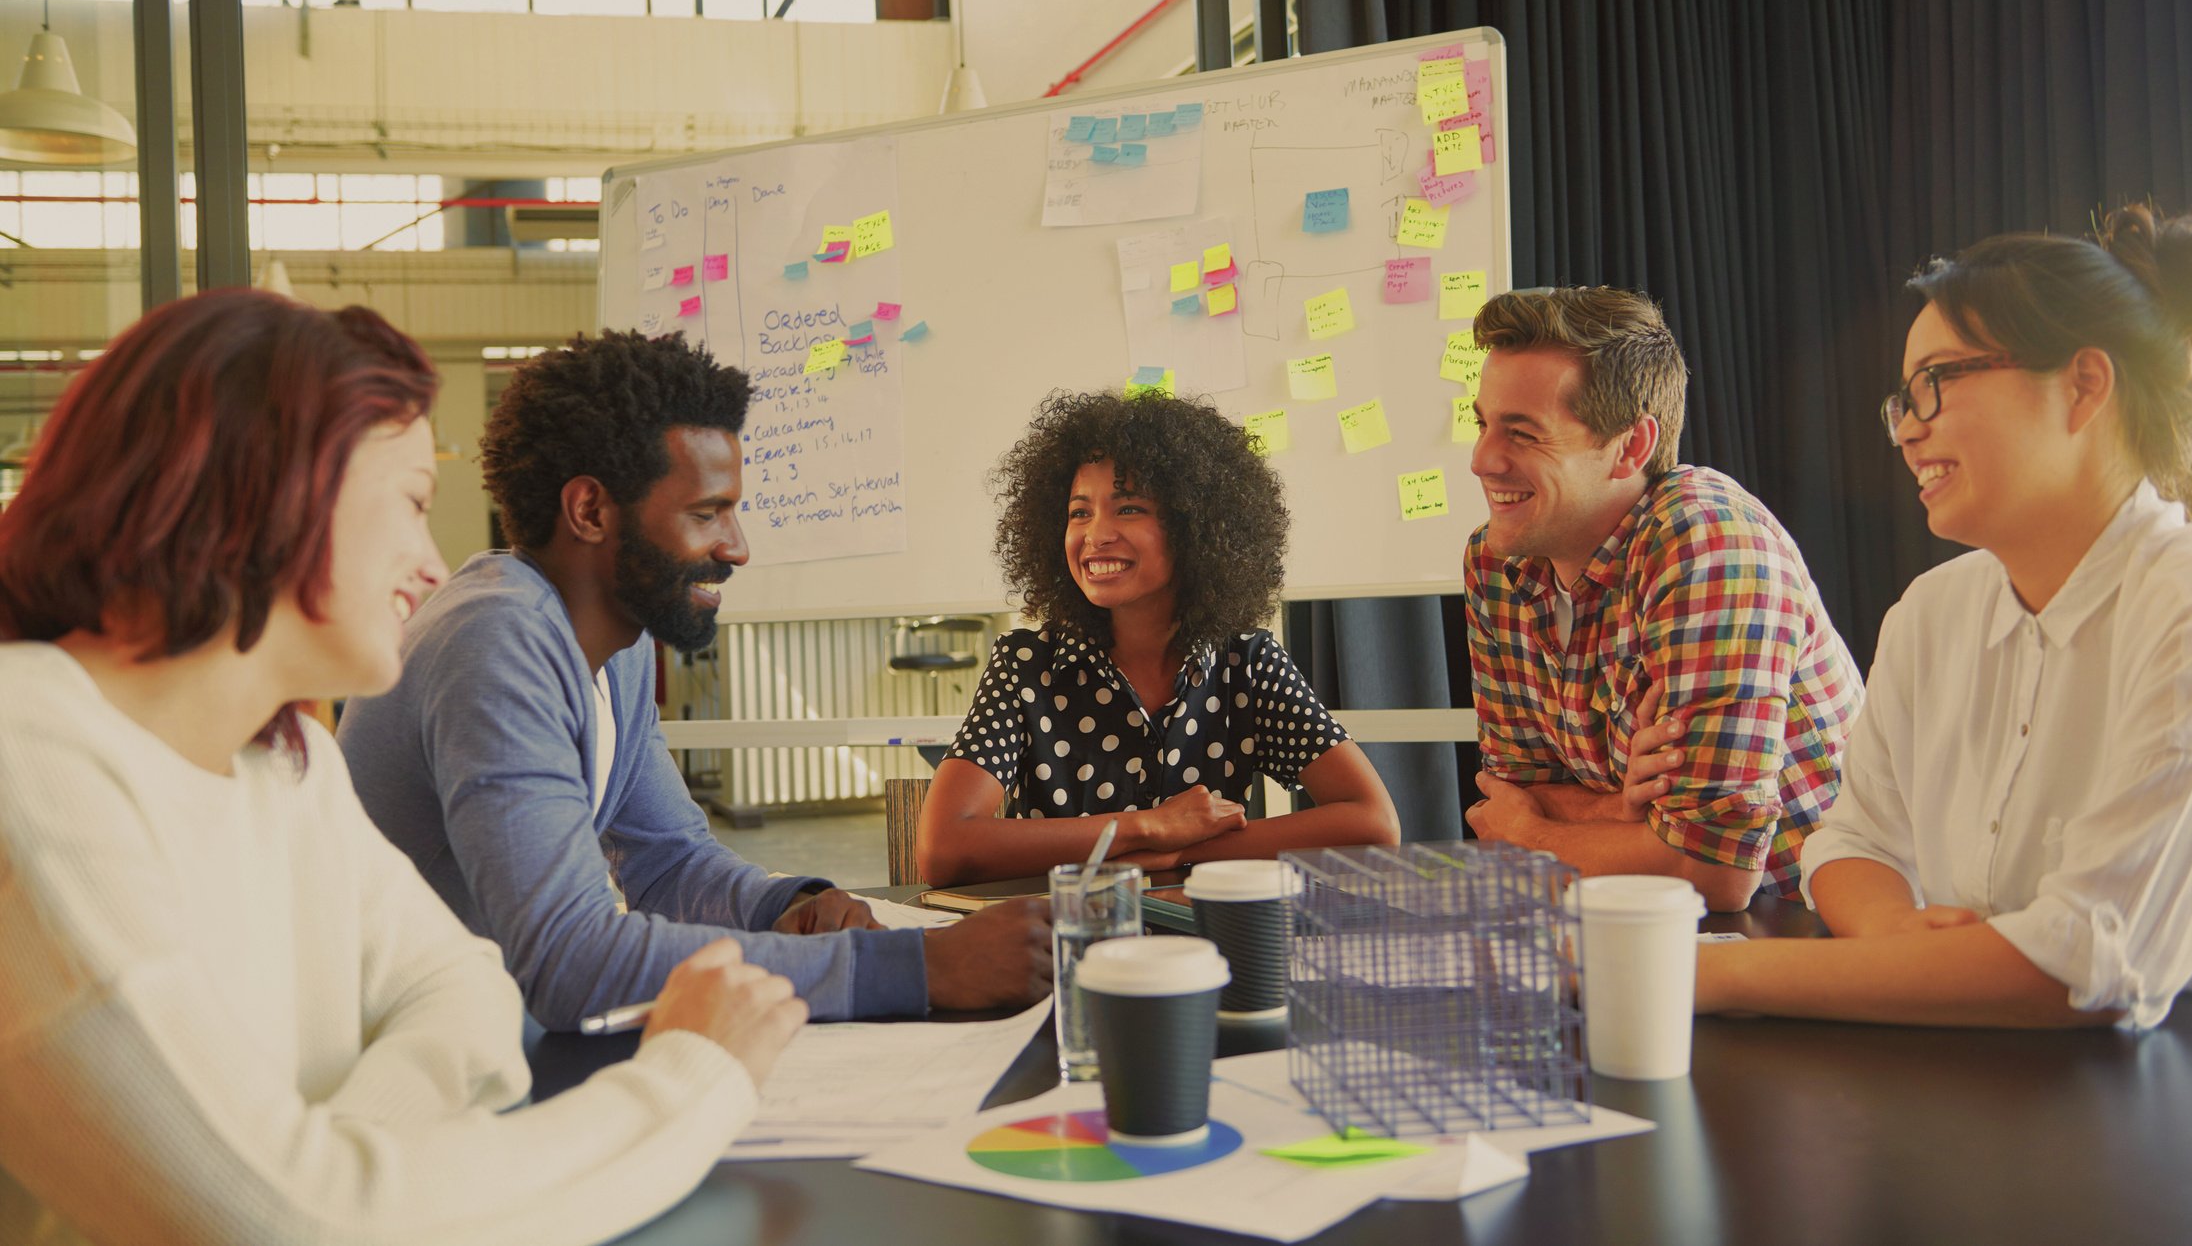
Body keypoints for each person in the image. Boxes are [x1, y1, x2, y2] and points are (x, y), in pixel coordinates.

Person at [0, 291, 805, 1246]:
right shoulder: (32, 757)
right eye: (414, 504)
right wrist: (694, 1078)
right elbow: (293, 1219)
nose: (431, 565)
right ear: (271, 494)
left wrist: (336, 1159)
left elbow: (464, 990)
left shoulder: (279, 759)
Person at [338, 331, 1048, 1030]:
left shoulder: (616, 645)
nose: (737, 547)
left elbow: (668, 860)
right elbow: (568, 962)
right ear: (590, 511)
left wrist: (786, 906)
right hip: (406, 1071)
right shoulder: (497, 639)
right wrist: (919, 968)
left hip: (480, 1042)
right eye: (706, 513)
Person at [1696, 208, 2192, 1027]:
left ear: (2083, 385)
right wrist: (1899, 933)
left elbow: (2085, 962)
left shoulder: (2191, 602)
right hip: (1977, 1070)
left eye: (1937, 381)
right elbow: (1850, 841)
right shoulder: (1934, 612)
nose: (1906, 428)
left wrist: (1710, 975)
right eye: (1901, 398)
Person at [1460, 286, 1860, 910]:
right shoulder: (1496, 559)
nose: (1482, 459)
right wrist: (1624, 810)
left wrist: (1533, 834)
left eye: (1524, 434)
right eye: (1482, 423)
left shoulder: (1710, 543)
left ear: (1631, 447)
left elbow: (1715, 874)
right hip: (1627, 919)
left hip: (1805, 928)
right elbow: (1505, 794)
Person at [916, 389, 1400, 886]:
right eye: (1079, 512)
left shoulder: (1246, 664)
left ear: (1197, 527)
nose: (1096, 534)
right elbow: (943, 849)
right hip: (1067, 945)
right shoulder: (1027, 664)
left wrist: (1181, 855)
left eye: (1128, 509)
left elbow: (1373, 823)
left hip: (1206, 951)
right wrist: (1148, 827)